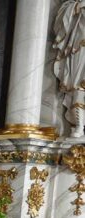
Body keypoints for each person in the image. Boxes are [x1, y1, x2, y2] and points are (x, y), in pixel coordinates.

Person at [54, 1, 85, 138]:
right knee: (78, 85)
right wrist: (78, 6)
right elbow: (63, 15)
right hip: (80, 47)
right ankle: (79, 125)